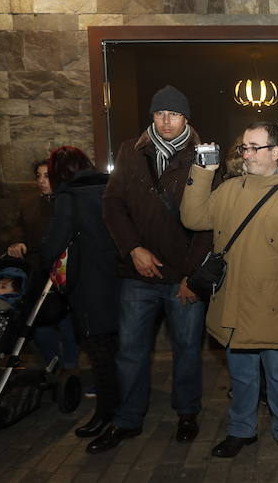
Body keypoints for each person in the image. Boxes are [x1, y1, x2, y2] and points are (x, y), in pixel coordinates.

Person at [181, 121, 278, 468]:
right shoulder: (229, 189)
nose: (247, 153)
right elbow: (193, 217)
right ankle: (242, 430)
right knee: (241, 375)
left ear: (275, 152)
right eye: (244, 147)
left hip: (275, 309)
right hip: (234, 305)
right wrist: (202, 172)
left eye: (255, 147)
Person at [90, 85, 212, 454]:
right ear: (152, 117)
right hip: (137, 274)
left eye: (174, 114)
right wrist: (134, 249)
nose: (167, 120)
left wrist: (193, 274)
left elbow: (211, 220)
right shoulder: (131, 151)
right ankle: (127, 418)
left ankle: (187, 413)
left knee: (188, 349)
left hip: (183, 275)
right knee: (130, 350)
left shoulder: (203, 156)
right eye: (161, 113)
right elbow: (113, 205)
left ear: (186, 118)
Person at [40, 147, 121, 441]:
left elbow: (54, 245)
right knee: (119, 352)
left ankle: (106, 413)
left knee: (99, 357)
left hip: (88, 286)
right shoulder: (110, 187)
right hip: (119, 281)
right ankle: (122, 408)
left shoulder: (69, 197)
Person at [7, 159, 79, 372]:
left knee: (67, 322)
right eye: (38, 176)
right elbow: (19, 228)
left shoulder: (70, 201)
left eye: (47, 175)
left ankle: (70, 367)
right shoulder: (29, 204)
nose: (41, 180)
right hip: (37, 272)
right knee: (36, 321)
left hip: (65, 271)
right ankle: (53, 364)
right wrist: (17, 241)